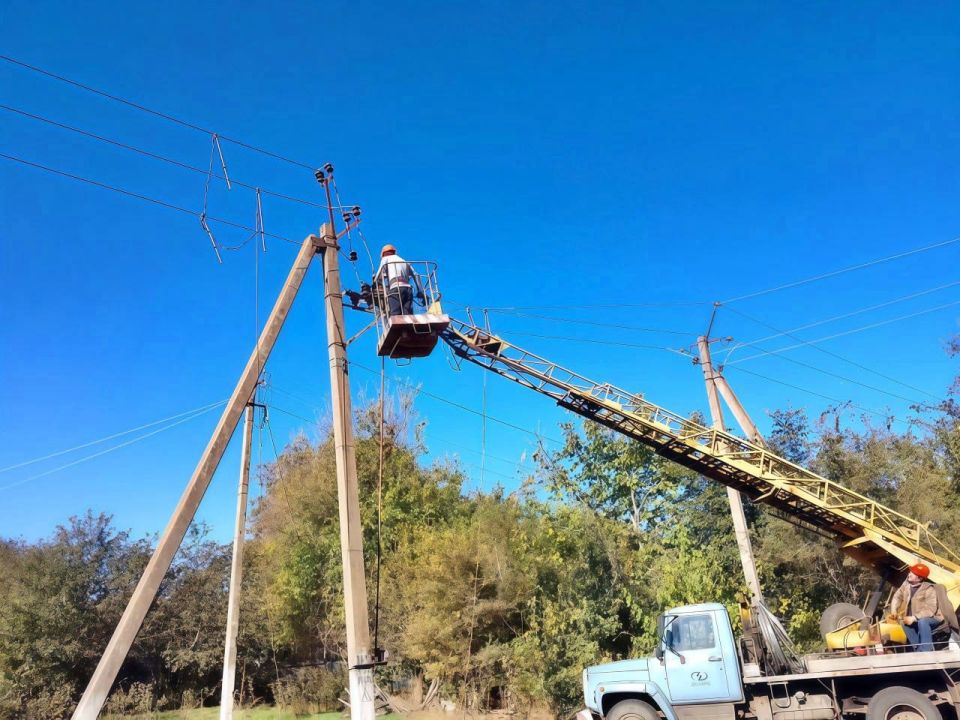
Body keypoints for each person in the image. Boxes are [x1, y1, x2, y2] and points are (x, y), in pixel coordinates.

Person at [887, 563, 949, 651]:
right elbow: (897, 597)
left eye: (913, 573)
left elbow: (931, 609)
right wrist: (894, 610)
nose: (909, 574)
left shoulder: (929, 589)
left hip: (933, 617)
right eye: (910, 572)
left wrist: (914, 618)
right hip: (916, 618)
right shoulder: (906, 586)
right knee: (903, 622)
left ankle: (926, 650)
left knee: (923, 622)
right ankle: (917, 649)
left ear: (920, 578)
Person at [376, 244, 424, 316]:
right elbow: (416, 275)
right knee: (407, 316)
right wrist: (420, 291)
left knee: (396, 315)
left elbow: (379, 277)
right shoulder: (403, 261)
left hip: (395, 288)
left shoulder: (385, 259)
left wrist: (376, 282)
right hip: (408, 289)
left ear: (383, 254)